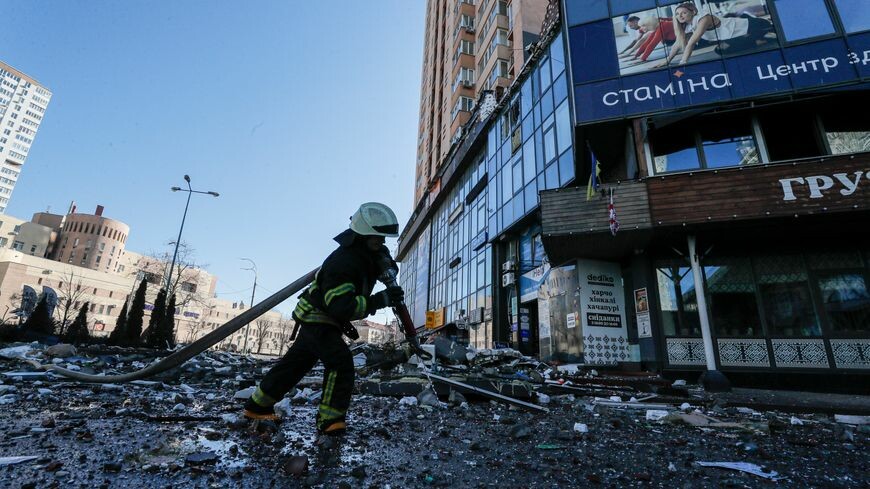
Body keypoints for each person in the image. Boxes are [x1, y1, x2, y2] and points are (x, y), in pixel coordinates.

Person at [243, 202, 405, 436]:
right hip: (319, 317)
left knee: (294, 366)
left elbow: (383, 264)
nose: (382, 244)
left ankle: (257, 406)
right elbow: (342, 306)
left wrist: (386, 266)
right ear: (363, 236)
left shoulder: (367, 253)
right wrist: (381, 300)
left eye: (383, 240)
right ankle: (330, 421)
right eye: (378, 239)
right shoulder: (344, 262)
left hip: (322, 319)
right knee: (340, 363)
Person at [658, 1, 773, 67]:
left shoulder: (704, 19)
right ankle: (760, 40)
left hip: (755, 26)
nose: (680, 16)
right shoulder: (687, 26)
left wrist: (683, 62)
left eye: (684, 12)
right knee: (721, 50)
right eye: (677, 14)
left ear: (693, 12)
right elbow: (678, 44)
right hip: (738, 35)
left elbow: (691, 43)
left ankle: (765, 37)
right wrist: (667, 60)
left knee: (769, 29)